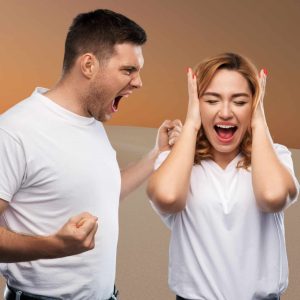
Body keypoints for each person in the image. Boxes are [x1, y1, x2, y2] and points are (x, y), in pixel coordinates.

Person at [0, 9, 180, 300]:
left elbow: (102, 191)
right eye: (128, 70)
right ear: (88, 65)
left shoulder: (90, 123)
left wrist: (157, 153)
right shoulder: (15, 131)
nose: (138, 82)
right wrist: (54, 245)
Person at [147, 53, 299, 300]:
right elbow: (167, 197)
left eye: (240, 102)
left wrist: (258, 121)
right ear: (196, 103)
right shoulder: (178, 162)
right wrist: (192, 123)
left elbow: (272, 197)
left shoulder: (275, 155)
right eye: (212, 100)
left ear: (254, 104)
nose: (226, 112)